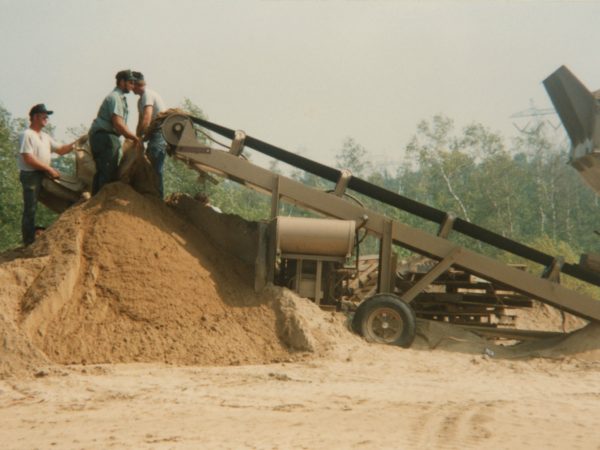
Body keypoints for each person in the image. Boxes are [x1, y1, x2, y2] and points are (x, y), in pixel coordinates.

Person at [17, 103, 76, 245]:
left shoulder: (45, 136)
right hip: (31, 176)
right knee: (30, 208)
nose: (47, 119)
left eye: (47, 116)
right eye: (44, 116)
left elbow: (61, 150)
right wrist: (48, 169)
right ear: (35, 117)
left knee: (62, 196)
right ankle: (29, 242)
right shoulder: (27, 135)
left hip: (43, 174)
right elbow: (28, 158)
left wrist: (77, 143)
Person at [89, 70, 139, 195]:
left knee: (103, 171)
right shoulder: (115, 98)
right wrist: (134, 138)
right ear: (122, 82)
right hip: (105, 137)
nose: (133, 85)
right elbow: (118, 123)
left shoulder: (119, 98)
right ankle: (101, 204)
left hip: (105, 136)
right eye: (130, 82)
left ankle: (95, 201)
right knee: (108, 172)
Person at [132, 71, 167, 198]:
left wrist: (141, 137)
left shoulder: (148, 95)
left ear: (136, 85)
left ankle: (157, 197)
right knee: (149, 161)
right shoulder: (140, 101)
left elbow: (147, 117)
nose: (131, 88)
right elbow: (140, 121)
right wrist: (136, 138)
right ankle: (150, 192)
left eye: (132, 85)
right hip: (152, 133)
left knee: (155, 162)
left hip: (159, 132)